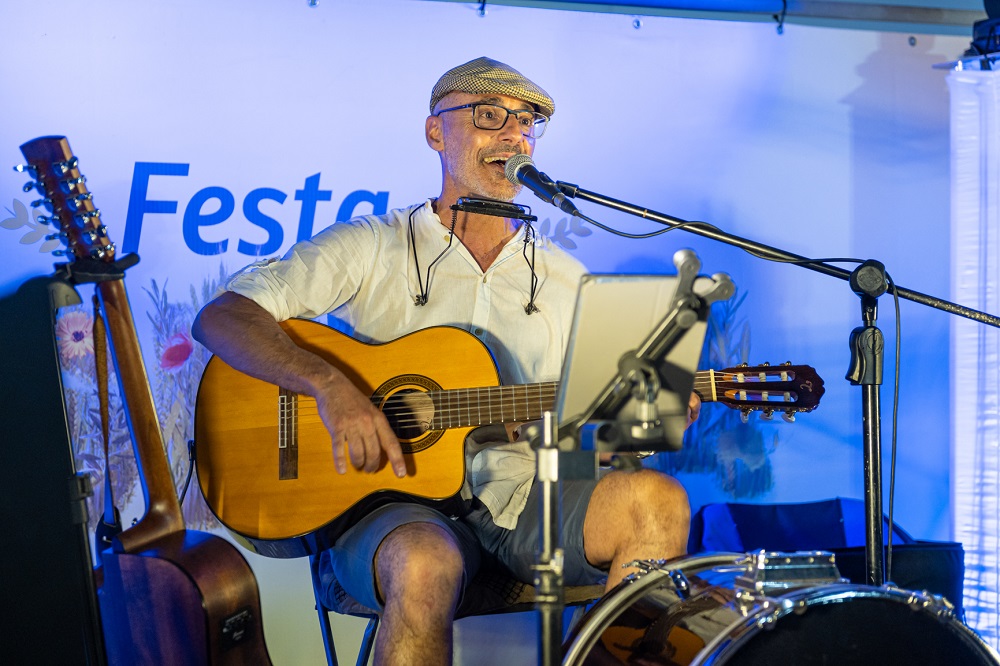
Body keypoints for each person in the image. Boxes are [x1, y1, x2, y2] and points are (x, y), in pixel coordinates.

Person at [192, 56, 697, 665]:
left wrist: (642, 419)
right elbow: (222, 317)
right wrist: (331, 387)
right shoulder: (373, 244)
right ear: (436, 132)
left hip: (522, 497)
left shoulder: (567, 280)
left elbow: (602, 441)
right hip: (389, 502)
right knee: (425, 560)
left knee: (657, 500)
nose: (514, 134)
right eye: (489, 116)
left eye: (528, 122)